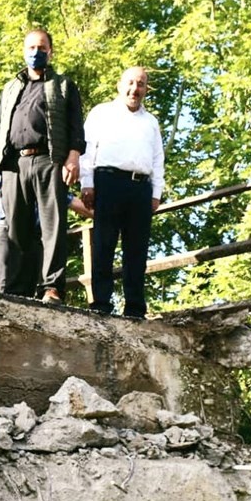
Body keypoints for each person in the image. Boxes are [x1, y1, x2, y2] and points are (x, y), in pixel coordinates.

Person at [0, 29, 84, 304]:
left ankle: (51, 287)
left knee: (52, 225)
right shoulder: (12, 87)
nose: (35, 52)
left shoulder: (63, 86)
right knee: (16, 226)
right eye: (31, 47)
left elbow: (76, 128)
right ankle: (18, 289)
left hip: (49, 160)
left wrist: (72, 157)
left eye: (41, 47)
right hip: (14, 163)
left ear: (50, 51)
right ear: (23, 50)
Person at [80, 66, 164, 319]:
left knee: (137, 248)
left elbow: (158, 158)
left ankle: (135, 307)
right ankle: (102, 303)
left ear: (145, 89)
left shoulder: (151, 122)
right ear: (120, 85)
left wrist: (156, 193)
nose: (134, 89)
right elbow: (87, 149)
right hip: (108, 181)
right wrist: (87, 183)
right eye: (130, 83)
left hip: (140, 187)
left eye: (140, 84)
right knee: (104, 244)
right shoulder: (101, 113)